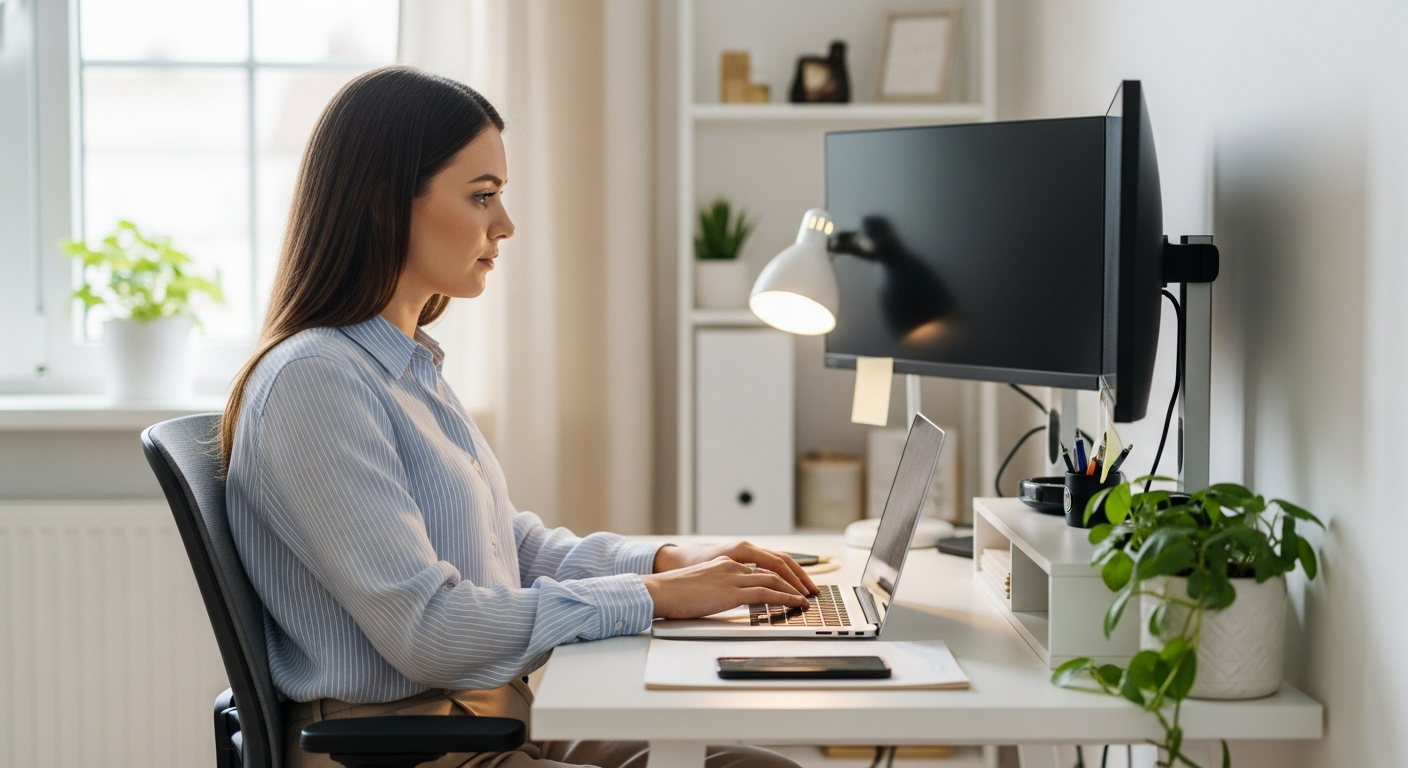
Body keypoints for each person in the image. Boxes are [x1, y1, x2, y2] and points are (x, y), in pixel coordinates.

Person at [221, 66, 817, 768]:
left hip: (485, 721)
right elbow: (428, 629)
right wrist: (655, 597)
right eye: (482, 197)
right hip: (406, 749)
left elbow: (512, 549)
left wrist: (668, 561)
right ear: (385, 205)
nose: (504, 225)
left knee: (758, 763)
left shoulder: (406, 367)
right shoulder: (314, 383)